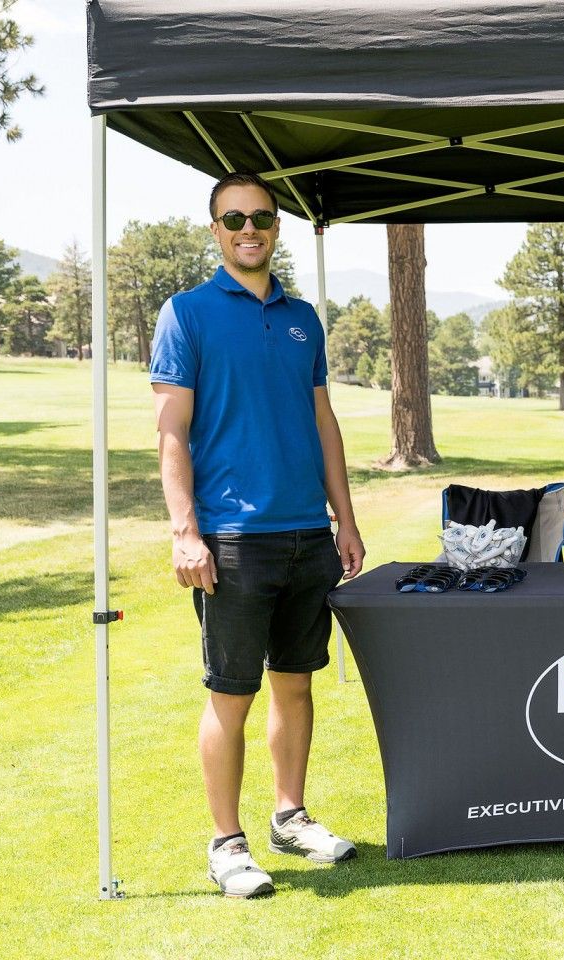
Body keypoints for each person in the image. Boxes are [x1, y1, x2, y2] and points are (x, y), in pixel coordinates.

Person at [150, 171, 367, 897]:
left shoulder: (304, 316)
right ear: (215, 230)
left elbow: (322, 421)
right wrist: (186, 532)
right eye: (234, 218)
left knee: (296, 686)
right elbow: (171, 432)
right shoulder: (186, 313)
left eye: (263, 218)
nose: (250, 229)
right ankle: (227, 843)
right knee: (231, 694)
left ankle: (290, 816)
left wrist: (346, 517)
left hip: (308, 532)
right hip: (233, 538)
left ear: (278, 228)